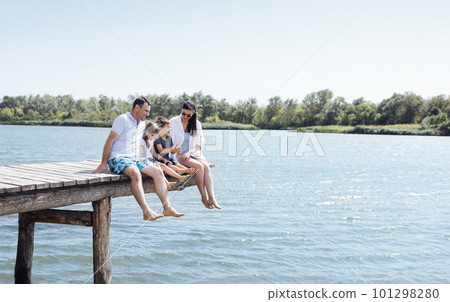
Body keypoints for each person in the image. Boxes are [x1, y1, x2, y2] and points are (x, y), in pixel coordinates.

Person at [93, 97, 184, 220]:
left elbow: (149, 138)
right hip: (118, 158)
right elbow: (110, 140)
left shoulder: (141, 124)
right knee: (135, 172)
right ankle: (146, 211)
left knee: (157, 171)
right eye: (146, 111)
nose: (148, 114)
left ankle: (167, 207)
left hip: (134, 159)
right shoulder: (123, 119)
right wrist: (104, 163)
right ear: (137, 107)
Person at [169, 101, 221, 209]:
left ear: (193, 114)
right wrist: (173, 150)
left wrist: (190, 152)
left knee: (206, 166)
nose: (185, 117)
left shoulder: (196, 124)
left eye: (189, 115)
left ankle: (212, 197)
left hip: (192, 153)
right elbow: (163, 137)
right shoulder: (173, 122)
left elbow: (200, 143)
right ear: (181, 111)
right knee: (199, 166)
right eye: (183, 114)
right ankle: (203, 197)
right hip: (178, 155)